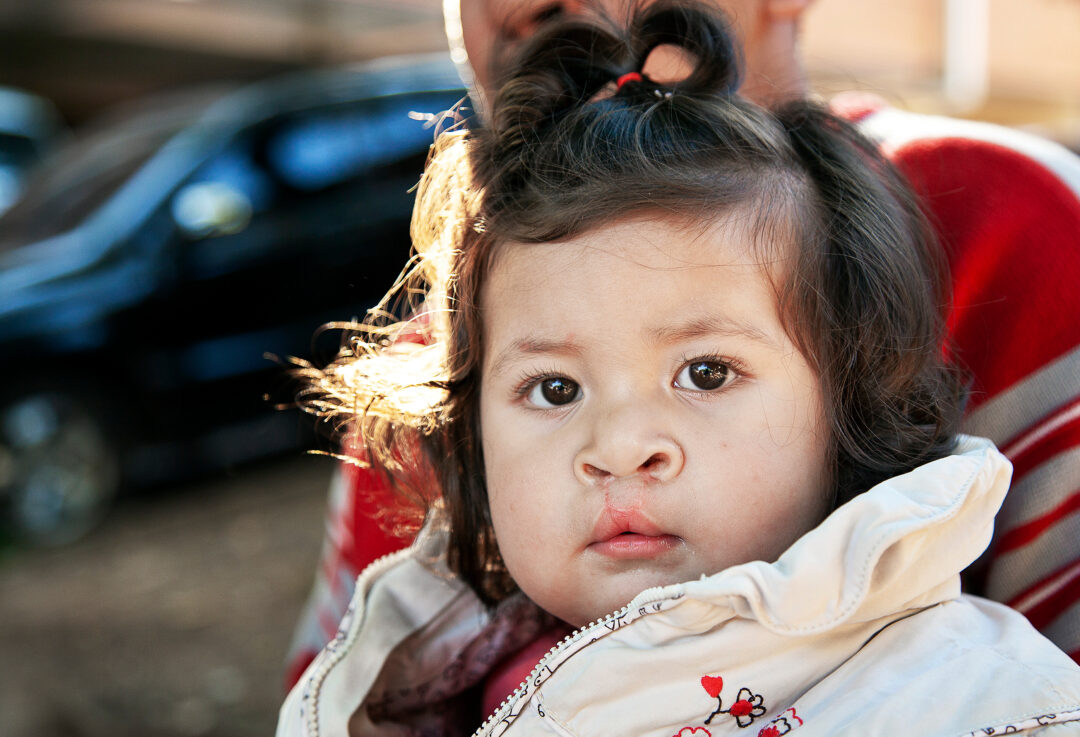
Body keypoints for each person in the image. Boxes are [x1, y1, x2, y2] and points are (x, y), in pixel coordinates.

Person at [277, 5, 1080, 734]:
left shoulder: (963, 696)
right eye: (555, 389)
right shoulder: (403, 668)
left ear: (853, 399)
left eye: (705, 372)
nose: (620, 444)